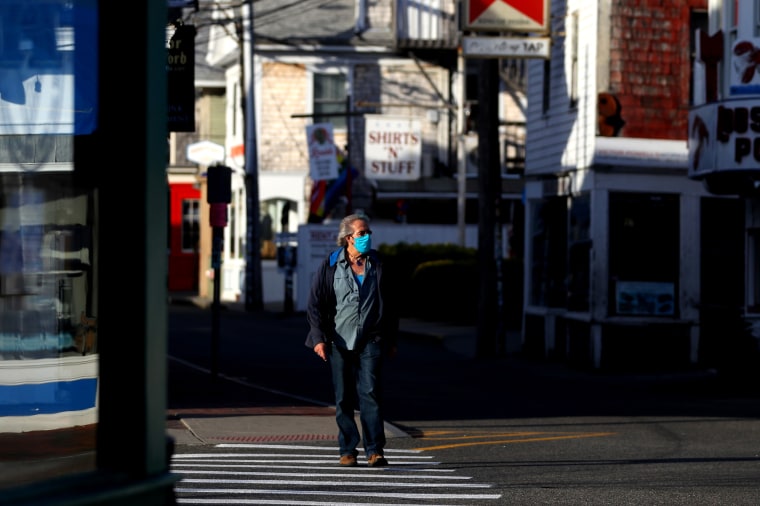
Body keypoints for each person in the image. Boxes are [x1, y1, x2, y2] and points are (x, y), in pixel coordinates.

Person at [305, 213, 398, 467]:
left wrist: (391, 339)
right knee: (343, 396)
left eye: (369, 232)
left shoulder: (378, 263)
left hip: (372, 338)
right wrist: (318, 339)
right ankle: (347, 449)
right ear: (348, 237)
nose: (368, 237)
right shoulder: (331, 264)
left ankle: (374, 449)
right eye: (362, 233)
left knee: (370, 393)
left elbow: (390, 305)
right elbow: (315, 304)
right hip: (339, 340)